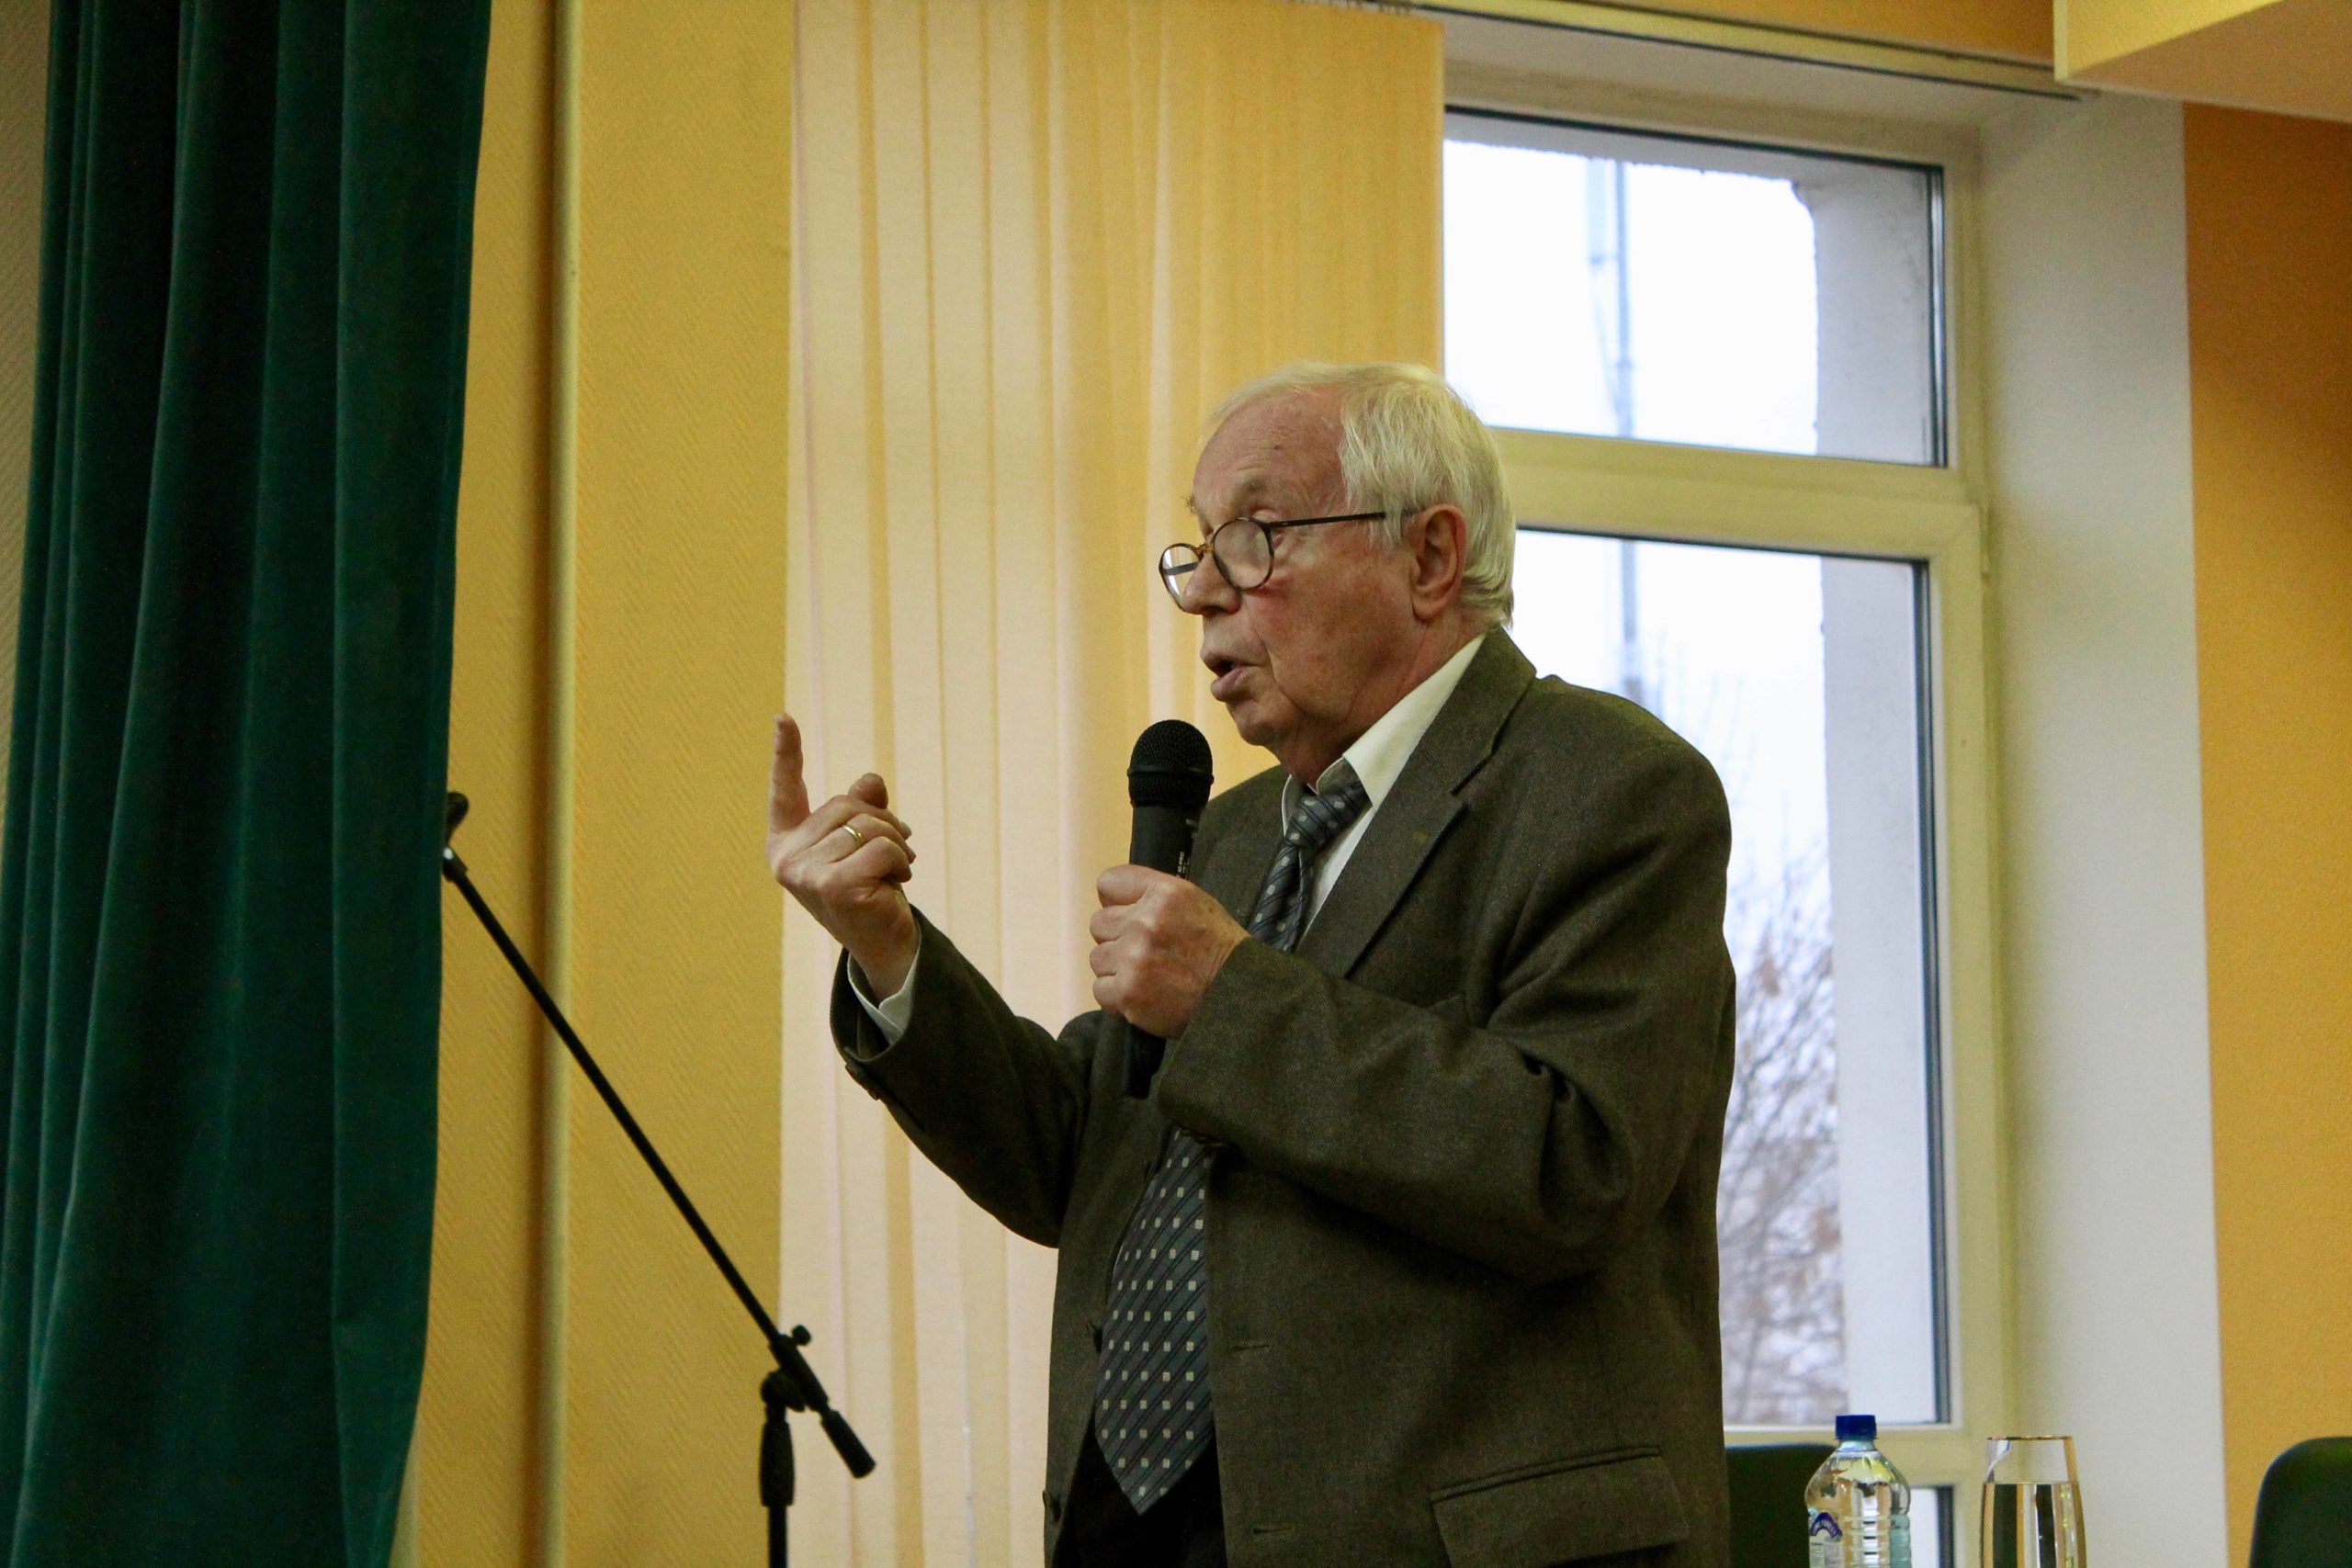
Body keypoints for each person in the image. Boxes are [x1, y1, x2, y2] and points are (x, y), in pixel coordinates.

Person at [767, 362, 1736, 1568]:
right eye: (1199, 546)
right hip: (1139, 1527)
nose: (1203, 593)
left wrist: (1229, 998)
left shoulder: (1609, 786)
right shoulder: (1234, 829)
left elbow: (1577, 1162)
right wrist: (887, 948)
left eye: (1257, 535)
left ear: (1431, 557)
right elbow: (1083, 1158)